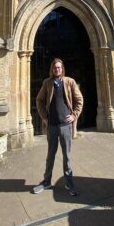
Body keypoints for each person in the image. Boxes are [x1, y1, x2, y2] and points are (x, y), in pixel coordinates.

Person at [33, 58, 83, 196]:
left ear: (62, 69)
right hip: (52, 126)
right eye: (55, 68)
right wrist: (44, 117)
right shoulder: (47, 83)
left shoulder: (69, 82)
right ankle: (46, 181)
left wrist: (74, 115)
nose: (57, 70)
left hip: (65, 126)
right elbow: (39, 100)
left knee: (66, 156)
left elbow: (79, 99)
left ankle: (69, 183)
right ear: (52, 69)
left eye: (59, 68)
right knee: (50, 155)